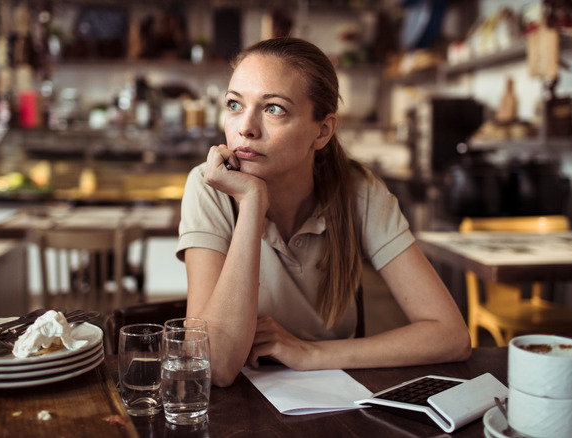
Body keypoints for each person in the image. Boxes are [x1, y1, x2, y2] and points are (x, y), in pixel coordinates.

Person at [176, 37, 471, 387]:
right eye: (235, 104)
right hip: (243, 407)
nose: (246, 128)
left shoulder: (358, 190)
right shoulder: (209, 186)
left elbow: (451, 335)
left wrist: (309, 354)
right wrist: (252, 204)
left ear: (322, 131)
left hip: (337, 400)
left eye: (273, 109)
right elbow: (216, 365)